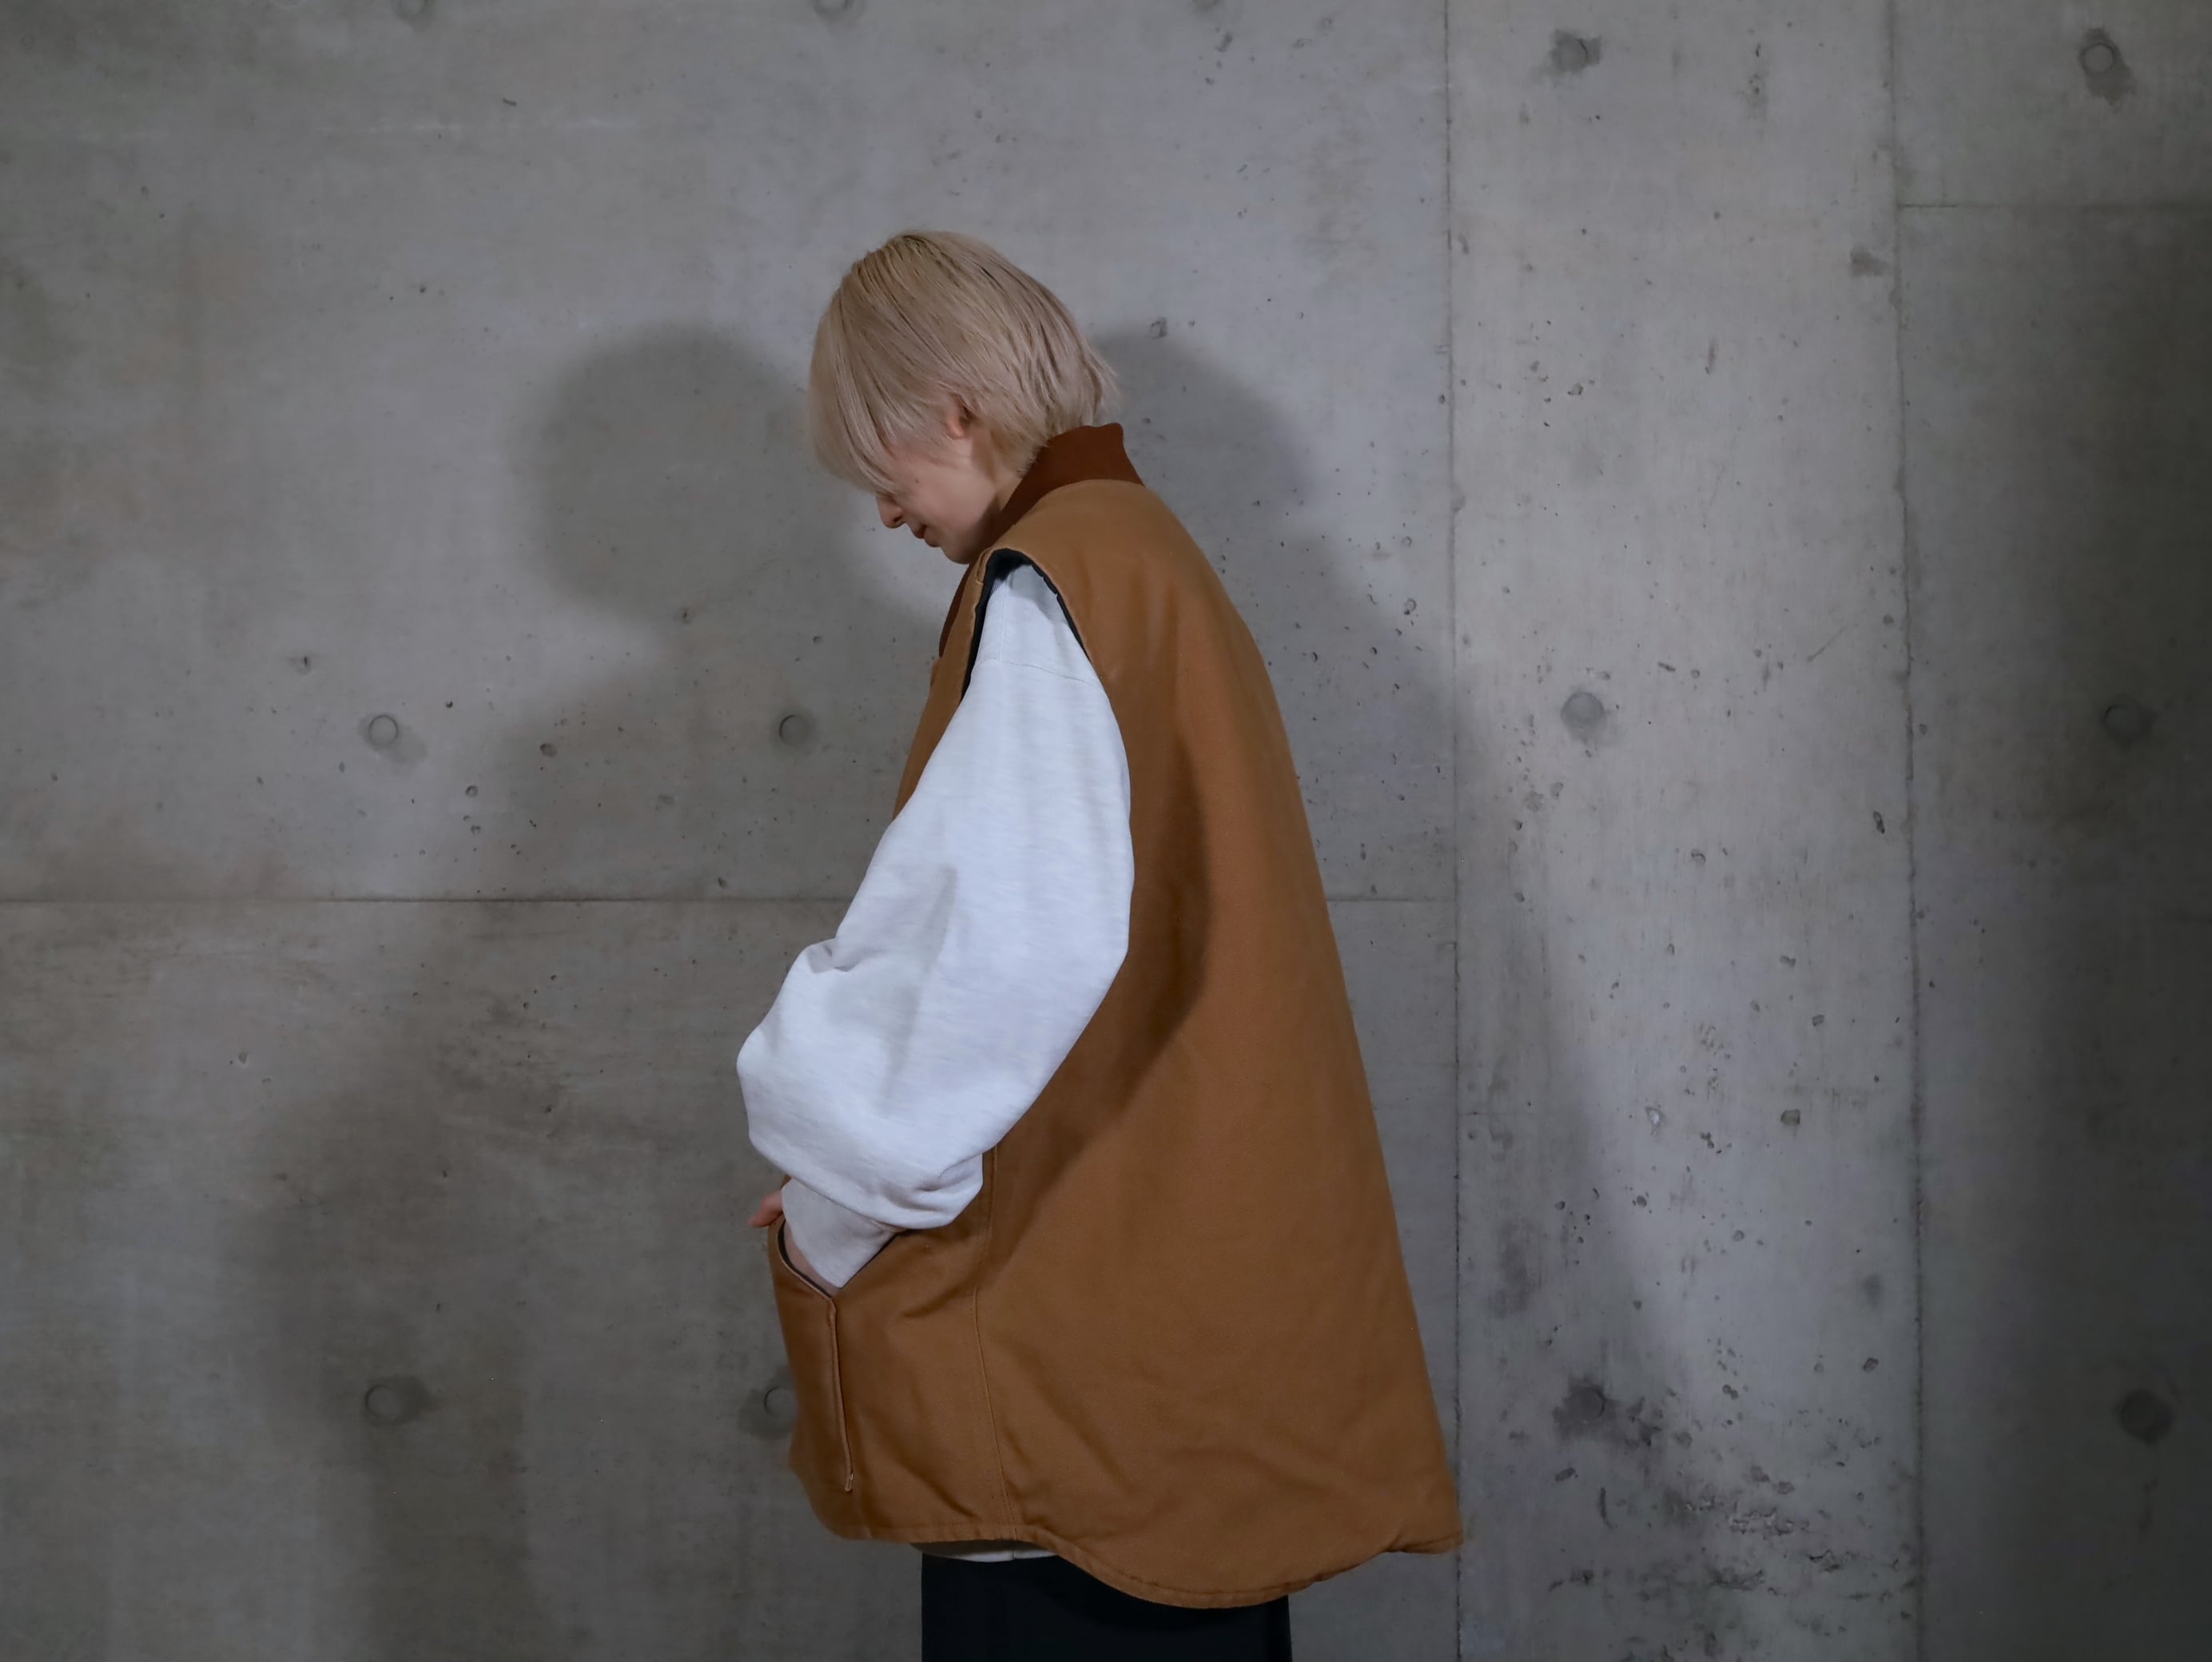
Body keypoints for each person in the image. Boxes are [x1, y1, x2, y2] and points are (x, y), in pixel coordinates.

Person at [735, 230, 1462, 1660]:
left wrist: (848, 1177)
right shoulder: (1146, 560)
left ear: (956, 408)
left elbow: (1000, 945)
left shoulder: (1048, 584)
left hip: (1079, 1326)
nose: (883, 510)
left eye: (883, 463)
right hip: (1183, 1303)